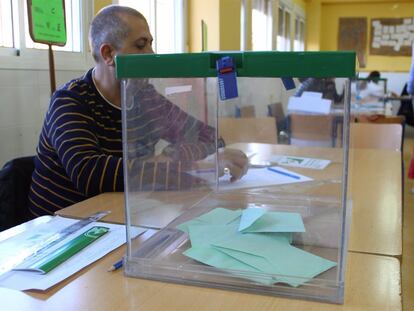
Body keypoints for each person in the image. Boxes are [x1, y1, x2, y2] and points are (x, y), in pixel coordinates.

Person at [28, 5, 248, 216]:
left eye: (151, 44)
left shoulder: (145, 96)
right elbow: (91, 175)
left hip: (126, 214)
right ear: (108, 54)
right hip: (67, 229)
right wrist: (193, 166)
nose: (151, 54)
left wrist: (172, 156)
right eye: (141, 45)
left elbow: (210, 136)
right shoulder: (70, 101)